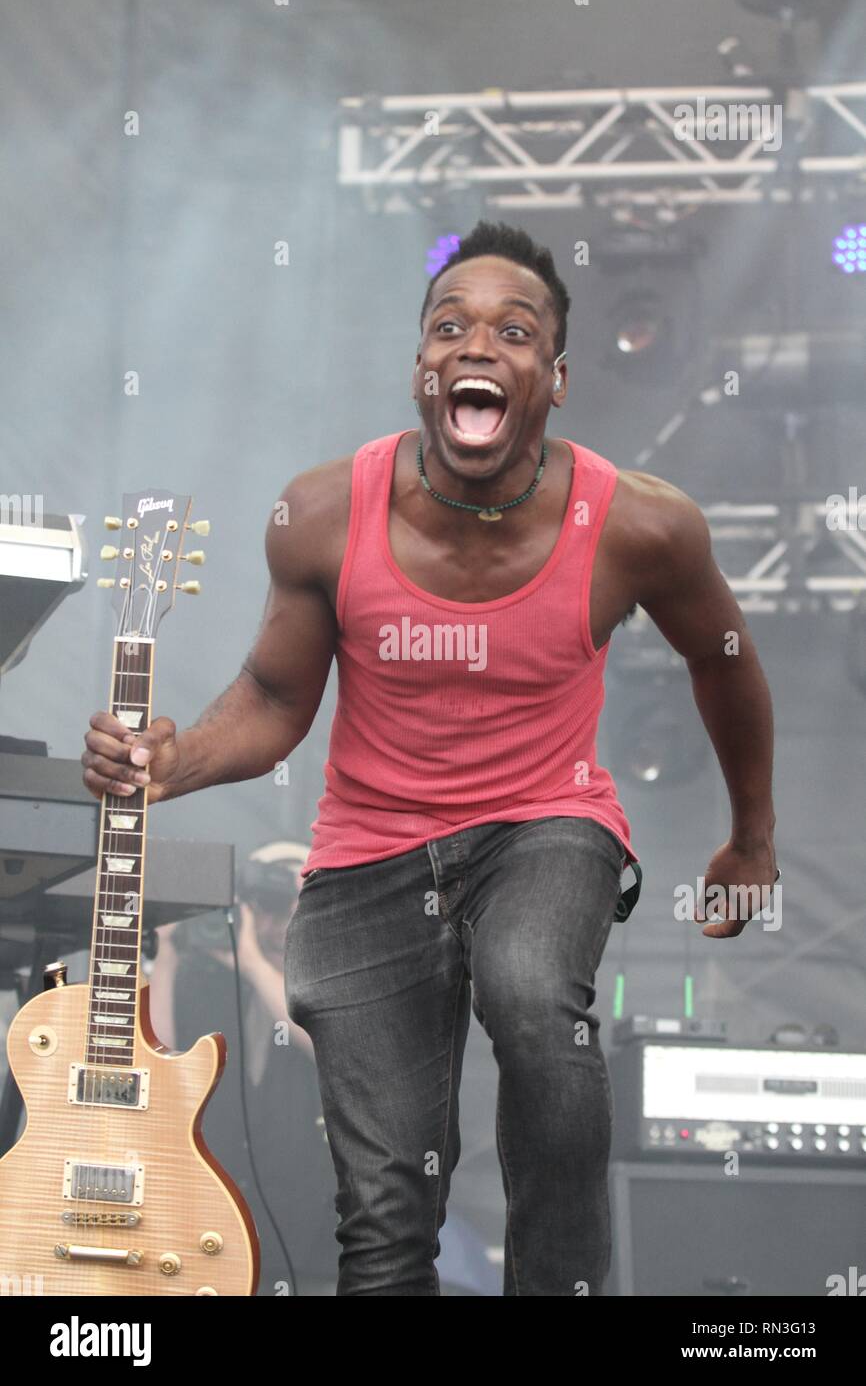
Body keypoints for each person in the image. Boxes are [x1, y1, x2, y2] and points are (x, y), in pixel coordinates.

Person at [82, 220, 777, 1296]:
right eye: (446, 327)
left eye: (511, 330)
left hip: (543, 825)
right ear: (420, 371)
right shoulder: (322, 514)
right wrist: (173, 760)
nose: (473, 348)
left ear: (554, 376)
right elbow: (273, 695)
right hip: (368, 853)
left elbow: (723, 662)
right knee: (384, 1211)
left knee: (534, 996)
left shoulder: (638, 525)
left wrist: (751, 839)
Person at [147, 842, 338, 1293]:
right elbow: (161, 1062)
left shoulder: (333, 975)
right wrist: (170, 953)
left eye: (284, 905)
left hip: (309, 1242)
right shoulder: (210, 978)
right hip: (212, 1230)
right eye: (263, 908)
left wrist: (252, 961)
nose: (272, 923)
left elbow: (326, 1044)